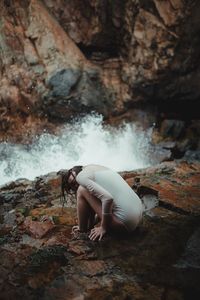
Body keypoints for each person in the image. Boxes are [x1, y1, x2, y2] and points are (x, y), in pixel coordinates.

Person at [59, 164, 143, 241]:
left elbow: (108, 199)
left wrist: (103, 227)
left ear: (76, 173)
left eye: (74, 183)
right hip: (138, 215)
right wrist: (95, 220)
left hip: (125, 223)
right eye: (72, 186)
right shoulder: (94, 168)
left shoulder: (81, 177)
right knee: (90, 191)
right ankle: (88, 225)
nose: (75, 186)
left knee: (81, 190)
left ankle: (82, 229)